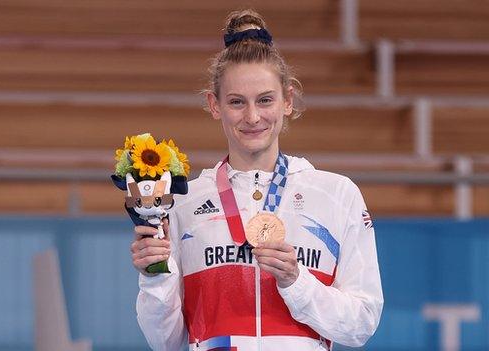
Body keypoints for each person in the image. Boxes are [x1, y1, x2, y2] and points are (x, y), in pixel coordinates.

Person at [130, 9, 383, 351]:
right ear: (214, 104)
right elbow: (166, 341)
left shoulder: (337, 194)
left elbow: (362, 324)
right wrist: (154, 276)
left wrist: (296, 281)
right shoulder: (183, 201)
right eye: (237, 102)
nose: (252, 117)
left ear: (287, 101)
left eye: (265, 100)